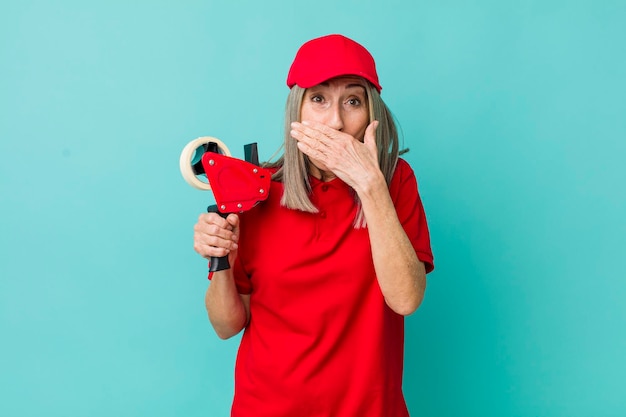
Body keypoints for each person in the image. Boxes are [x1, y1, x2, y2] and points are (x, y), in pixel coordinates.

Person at [193, 34, 435, 417]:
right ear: (297, 110)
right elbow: (226, 325)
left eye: (352, 101)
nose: (335, 121)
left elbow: (405, 299)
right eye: (318, 100)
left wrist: (369, 185)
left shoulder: (394, 181)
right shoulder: (257, 189)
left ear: (372, 114)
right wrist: (221, 258)